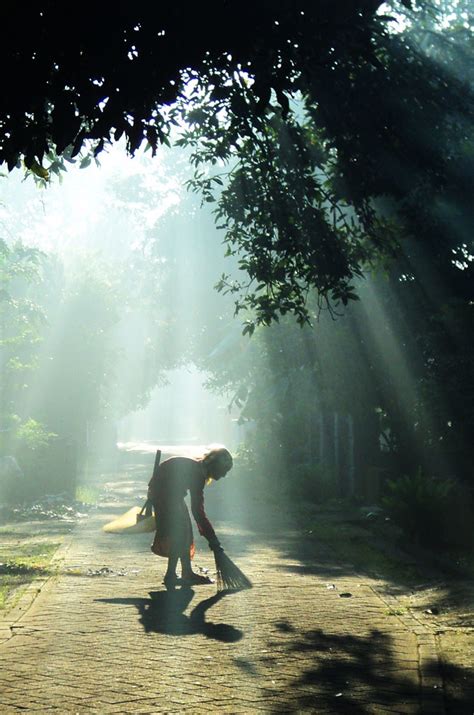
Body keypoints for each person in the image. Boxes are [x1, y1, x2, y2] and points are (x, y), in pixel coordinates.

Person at [147, 445, 233, 588]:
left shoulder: (198, 469)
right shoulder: (197, 474)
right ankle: (172, 575)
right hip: (163, 494)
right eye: (223, 471)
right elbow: (198, 512)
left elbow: (197, 511)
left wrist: (212, 539)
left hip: (169, 494)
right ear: (215, 466)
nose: (223, 475)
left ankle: (185, 572)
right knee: (179, 532)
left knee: (184, 529)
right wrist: (213, 540)